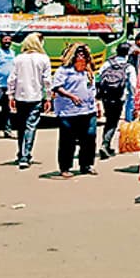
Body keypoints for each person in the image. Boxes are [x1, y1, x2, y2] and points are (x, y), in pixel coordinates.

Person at [51, 43, 99, 178]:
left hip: (88, 110)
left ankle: (86, 165)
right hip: (68, 111)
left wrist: (97, 103)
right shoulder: (64, 70)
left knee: (89, 137)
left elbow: (92, 89)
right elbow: (56, 87)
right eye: (78, 53)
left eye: (84, 53)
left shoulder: (88, 71)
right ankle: (65, 167)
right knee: (68, 141)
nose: (81, 56)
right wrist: (71, 96)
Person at [7, 33, 52, 170]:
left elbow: (12, 79)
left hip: (20, 97)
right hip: (36, 97)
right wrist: (48, 97)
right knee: (30, 127)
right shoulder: (44, 59)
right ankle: (25, 156)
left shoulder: (18, 59)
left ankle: (21, 153)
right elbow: (47, 80)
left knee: (21, 127)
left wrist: (10, 96)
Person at [96, 41, 136, 159]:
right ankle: (105, 144)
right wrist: (134, 98)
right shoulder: (129, 67)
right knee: (113, 121)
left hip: (106, 96)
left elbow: (99, 77)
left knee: (109, 119)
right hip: (119, 97)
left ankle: (106, 144)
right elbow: (133, 85)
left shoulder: (107, 63)